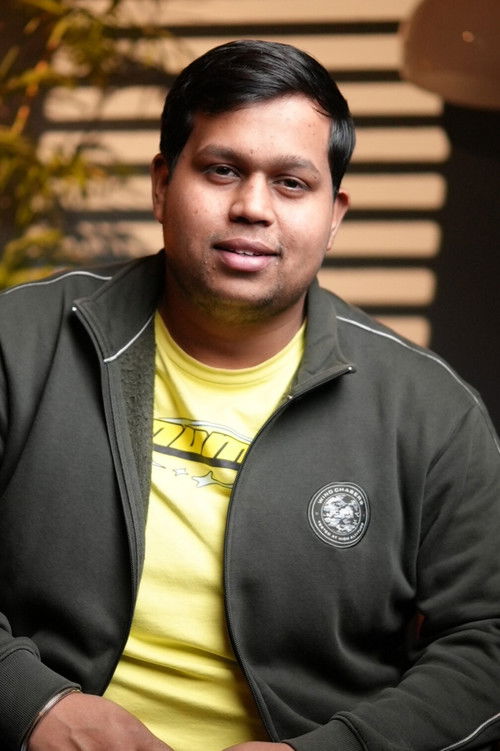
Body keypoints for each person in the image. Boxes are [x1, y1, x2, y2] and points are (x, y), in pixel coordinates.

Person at [0, 39, 499, 751]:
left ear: (335, 214)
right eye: (222, 170)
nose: (252, 207)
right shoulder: (20, 342)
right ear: (161, 185)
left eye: (292, 183)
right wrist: (34, 706)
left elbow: (487, 640)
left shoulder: (431, 413)